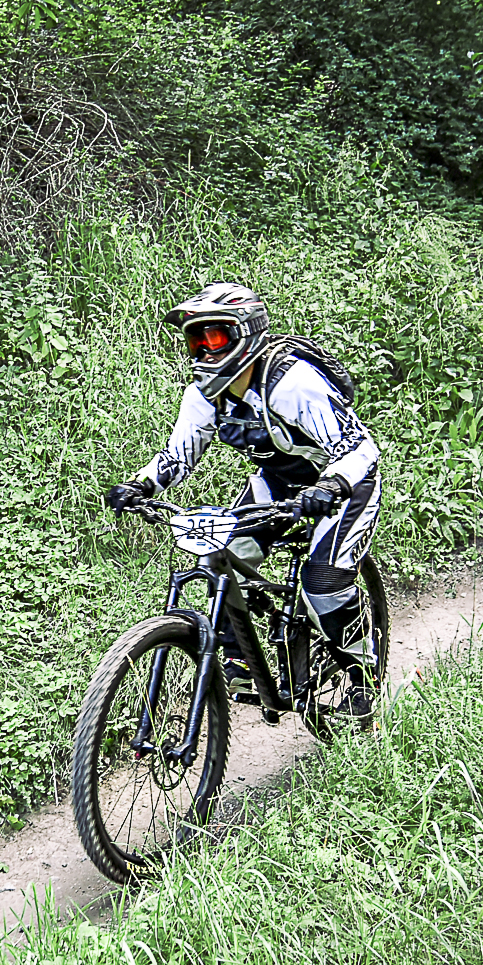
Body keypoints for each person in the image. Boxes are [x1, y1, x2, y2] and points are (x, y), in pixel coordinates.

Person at [102, 282, 381, 716]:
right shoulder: (204, 394)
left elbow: (360, 448)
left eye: (215, 338)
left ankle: (365, 673)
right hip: (280, 482)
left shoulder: (292, 383)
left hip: (344, 484)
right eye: (197, 340)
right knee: (220, 555)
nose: (204, 351)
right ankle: (241, 660)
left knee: (322, 587)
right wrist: (140, 486)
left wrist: (330, 486)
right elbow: (178, 456)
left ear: (245, 333)